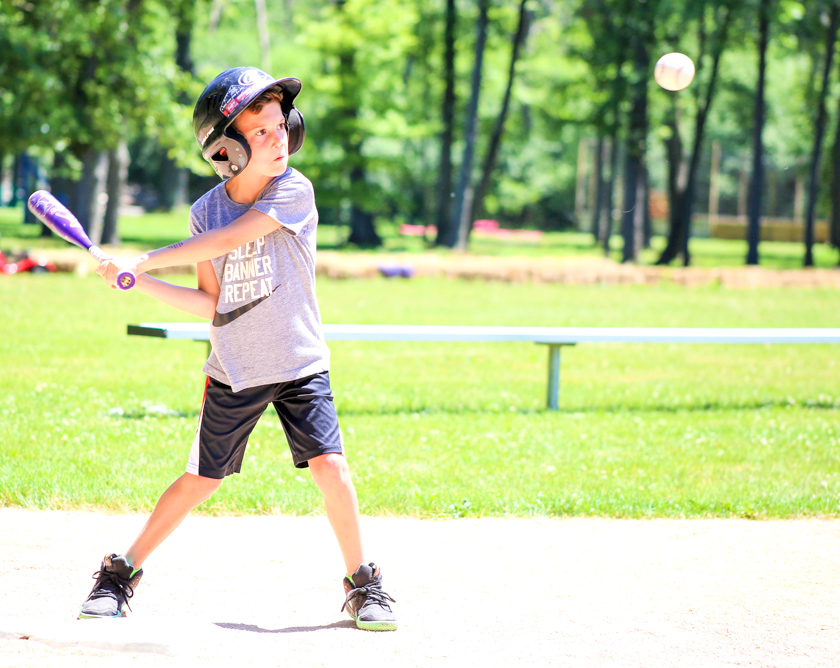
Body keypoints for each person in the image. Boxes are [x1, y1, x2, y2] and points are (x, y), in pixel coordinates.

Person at [80, 67, 397, 632]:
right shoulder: (204, 211)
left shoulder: (292, 190)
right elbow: (211, 301)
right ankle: (120, 573)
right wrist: (134, 281)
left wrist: (146, 258)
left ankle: (363, 583)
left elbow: (232, 238)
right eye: (263, 131)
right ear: (227, 150)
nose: (280, 138)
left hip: (300, 363)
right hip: (235, 368)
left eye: (283, 126)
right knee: (201, 479)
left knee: (330, 467)